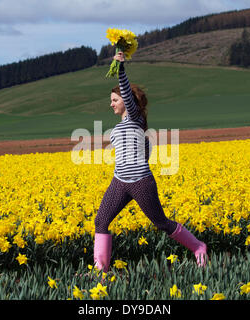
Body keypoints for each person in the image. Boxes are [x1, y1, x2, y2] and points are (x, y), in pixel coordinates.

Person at [93, 51, 208, 273]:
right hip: (119, 181)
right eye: (111, 101)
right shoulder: (119, 128)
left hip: (140, 182)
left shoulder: (135, 119)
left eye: (114, 100)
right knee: (101, 221)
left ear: (128, 102)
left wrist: (120, 68)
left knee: (161, 222)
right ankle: (101, 273)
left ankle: (198, 247)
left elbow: (126, 92)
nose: (111, 104)